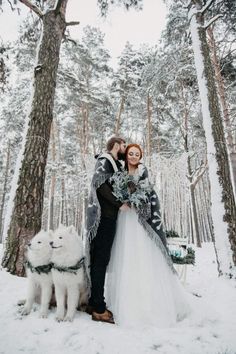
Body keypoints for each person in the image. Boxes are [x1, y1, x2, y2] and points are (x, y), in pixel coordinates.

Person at [106, 143, 191, 327]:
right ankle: (128, 305)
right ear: (126, 155)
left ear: (140, 156)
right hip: (124, 218)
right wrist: (123, 199)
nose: (134, 156)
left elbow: (149, 194)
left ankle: (150, 305)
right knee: (127, 256)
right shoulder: (119, 173)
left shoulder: (144, 173)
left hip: (141, 220)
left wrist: (137, 199)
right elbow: (115, 192)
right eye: (131, 153)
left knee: (144, 255)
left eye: (137, 154)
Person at [86, 136, 128, 324]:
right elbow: (100, 185)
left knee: (98, 261)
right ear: (116, 145)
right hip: (104, 217)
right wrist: (119, 204)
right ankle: (99, 309)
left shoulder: (112, 163)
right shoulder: (105, 161)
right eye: (124, 146)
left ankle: (93, 301)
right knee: (100, 261)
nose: (125, 149)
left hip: (107, 217)